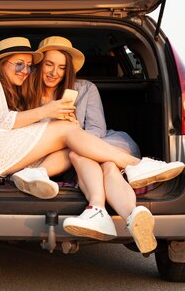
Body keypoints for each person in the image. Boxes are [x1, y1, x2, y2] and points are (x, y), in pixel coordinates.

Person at [0, 36, 185, 206]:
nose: (25, 70)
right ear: (1, 64)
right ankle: (136, 165)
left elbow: (94, 129)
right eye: (18, 64)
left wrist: (60, 124)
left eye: (28, 65)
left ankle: (85, 198)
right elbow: (2, 122)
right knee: (67, 132)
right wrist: (48, 113)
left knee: (71, 140)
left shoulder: (13, 89)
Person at [23, 35, 163, 253]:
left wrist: (74, 130)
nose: (54, 73)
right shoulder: (26, 94)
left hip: (106, 142)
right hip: (70, 156)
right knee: (102, 165)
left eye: (61, 67)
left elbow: (97, 130)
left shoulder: (86, 88)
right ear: (39, 65)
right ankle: (133, 215)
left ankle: (98, 208)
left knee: (84, 155)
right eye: (49, 65)